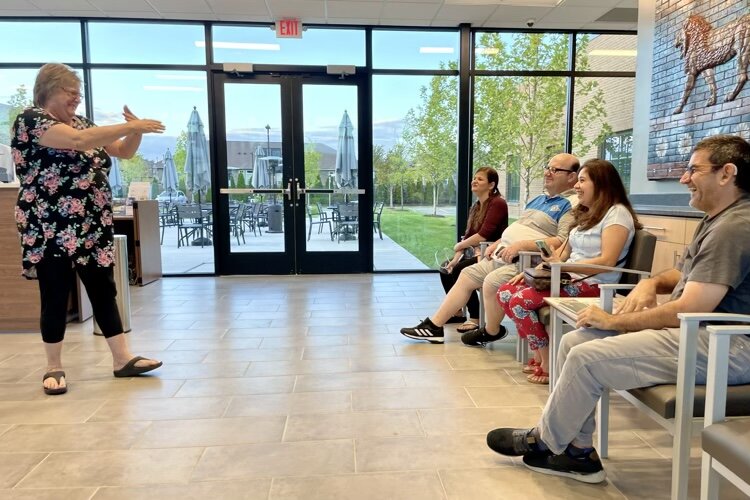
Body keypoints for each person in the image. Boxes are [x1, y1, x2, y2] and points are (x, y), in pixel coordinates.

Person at [486, 135, 750, 484]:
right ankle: (579, 453)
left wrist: (616, 320)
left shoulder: (734, 227)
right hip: (696, 331)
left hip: (725, 344)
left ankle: (545, 441)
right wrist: (651, 283)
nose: (684, 178)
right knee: (573, 342)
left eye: (692, 169)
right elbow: (685, 276)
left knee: (585, 358)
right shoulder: (717, 218)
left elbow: (691, 307)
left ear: (726, 173)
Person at [12, 63, 166, 395]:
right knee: (55, 292)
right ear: (49, 89)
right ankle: (53, 366)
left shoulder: (82, 122)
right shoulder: (32, 121)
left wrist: (135, 130)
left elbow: (123, 151)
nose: (77, 99)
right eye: (72, 92)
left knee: (102, 288)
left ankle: (121, 359)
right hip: (49, 223)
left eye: (78, 93)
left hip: (91, 223)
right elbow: (79, 142)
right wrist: (133, 125)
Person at [401, 153, 579, 344]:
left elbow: (561, 241)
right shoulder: (538, 200)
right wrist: (498, 243)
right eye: (547, 167)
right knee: (467, 274)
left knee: (491, 281)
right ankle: (434, 327)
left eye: (555, 170)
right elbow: (517, 227)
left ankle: (491, 330)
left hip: (527, 261)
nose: (547, 173)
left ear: (572, 176)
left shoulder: (571, 204)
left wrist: (520, 245)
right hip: (502, 253)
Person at [497, 159, 639, 384]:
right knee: (505, 292)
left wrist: (561, 267)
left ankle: (548, 361)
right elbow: (561, 255)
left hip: (595, 285)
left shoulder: (617, 214)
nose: (576, 187)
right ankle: (541, 354)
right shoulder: (586, 215)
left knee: (520, 301)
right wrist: (533, 272)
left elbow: (608, 260)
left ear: (601, 184)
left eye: (582, 181)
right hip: (568, 278)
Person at [437, 167, 508, 332]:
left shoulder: (498, 203)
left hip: (491, 253)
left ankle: (475, 317)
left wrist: (459, 246)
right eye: (474, 178)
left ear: (491, 185)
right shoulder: (476, 206)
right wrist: (455, 259)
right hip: (475, 252)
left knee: (460, 270)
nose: (474, 181)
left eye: (480, 179)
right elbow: (467, 236)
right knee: (446, 268)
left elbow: (483, 236)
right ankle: (457, 313)